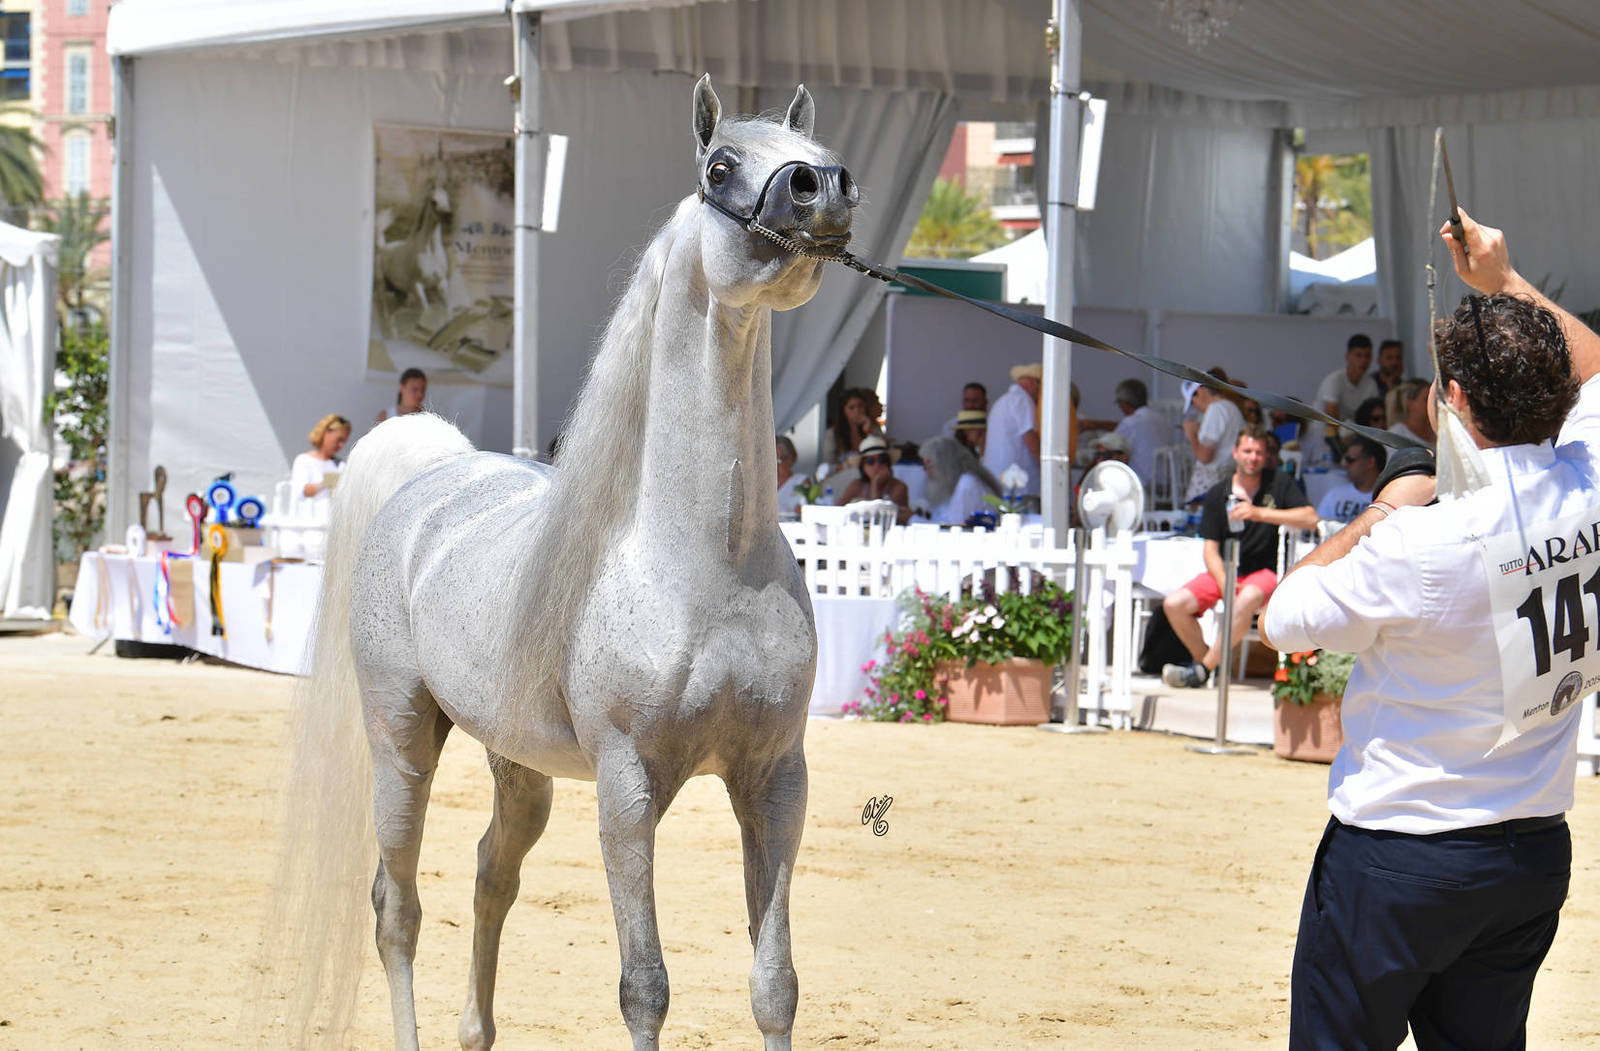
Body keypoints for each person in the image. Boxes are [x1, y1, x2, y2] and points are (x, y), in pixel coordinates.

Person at [1260, 206, 1600, 1050]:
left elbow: (1280, 615)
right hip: (1527, 851)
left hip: (1400, 855)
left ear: (1450, 400)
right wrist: (1505, 279)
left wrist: (1380, 510)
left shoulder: (1420, 538)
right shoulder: (1589, 483)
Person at [1161, 426, 1316, 688]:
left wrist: (1259, 513)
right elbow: (1210, 549)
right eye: (1247, 451)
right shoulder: (1218, 493)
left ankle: (1202, 669)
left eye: (1258, 452)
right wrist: (1224, 581)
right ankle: (1207, 665)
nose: (1252, 457)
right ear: (1235, 453)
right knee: (1174, 604)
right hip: (1225, 570)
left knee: (1247, 597)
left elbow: (1310, 518)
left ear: (1266, 456)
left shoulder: (1279, 482)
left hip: (1265, 572)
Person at [1303, 335, 1379, 464]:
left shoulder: (1371, 384)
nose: (1363, 360)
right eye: (1358, 355)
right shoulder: (1334, 381)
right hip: (1323, 441)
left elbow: (1371, 419)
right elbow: (1332, 421)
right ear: (1348, 356)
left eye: (1367, 356)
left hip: (1352, 441)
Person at [1183, 378, 1246, 504]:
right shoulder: (1231, 407)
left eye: (1192, 401)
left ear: (1199, 392)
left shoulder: (1215, 410)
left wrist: (1192, 435)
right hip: (1227, 482)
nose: (1195, 406)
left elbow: (1205, 457)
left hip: (1209, 488)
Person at [984, 362, 1042, 498]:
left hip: (997, 480)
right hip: (1016, 487)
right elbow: (1031, 441)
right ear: (1034, 383)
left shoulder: (1004, 400)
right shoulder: (1023, 401)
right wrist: (1052, 470)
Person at [917, 435, 1000, 525]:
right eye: (925, 467)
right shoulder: (951, 484)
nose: (927, 473)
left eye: (930, 466)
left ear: (946, 463)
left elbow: (955, 528)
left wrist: (912, 519)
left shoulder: (967, 484)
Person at [1105, 377, 1171, 485]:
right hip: (1164, 482)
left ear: (1125, 403)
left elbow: (1111, 444)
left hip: (1141, 483)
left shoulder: (1130, 422)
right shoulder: (1161, 418)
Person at [835, 434, 912, 524]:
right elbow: (837, 511)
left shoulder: (899, 487)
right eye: (870, 461)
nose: (877, 465)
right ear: (863, 467)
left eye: (882, 460)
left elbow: (879, 519)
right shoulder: (856, 485)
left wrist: (875, 485)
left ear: (888, 463)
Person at [1315, 436, 1386, 521]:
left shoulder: (1389, 497)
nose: (1344, 464)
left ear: (1370, 462)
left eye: (1350, 460)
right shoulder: (1335, 495)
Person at [292, 414, 351, 506]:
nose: (341, 445)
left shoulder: (341, 465)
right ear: (326, 433)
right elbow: (301, 493)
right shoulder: (303, 460)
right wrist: (327, 482)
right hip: (310, 518)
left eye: (344, 441)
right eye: (339, 440)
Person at [820, 388, 881, 469]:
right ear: (843, 411)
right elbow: (828, 465)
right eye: (851, 407)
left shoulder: (873, 428)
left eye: (860, 405)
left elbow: (880, 454)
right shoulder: (832, 434)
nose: (857, 410)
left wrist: (868, 432)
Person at [1386, 377, 1436, 447]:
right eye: (1426, 399)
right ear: (1410, 404)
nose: (1432, 404)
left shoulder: (1439, 430)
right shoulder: (1396, 435)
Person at [775, 436, 806, 518]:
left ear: (790, 458)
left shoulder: (801, 481)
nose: (775, 465)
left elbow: (804, 510)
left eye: (778, 460)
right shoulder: (763, 483)